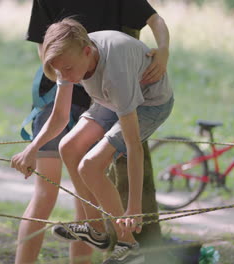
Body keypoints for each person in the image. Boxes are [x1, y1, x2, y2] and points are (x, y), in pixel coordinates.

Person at [14, 1, 170, 264]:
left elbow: (133, 146)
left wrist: (134, 208)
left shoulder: (115, 75)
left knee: (90, 165)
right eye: (61, 72)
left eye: (68, 71)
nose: (65, 77)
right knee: (68, 147)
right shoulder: (69, 60)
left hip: (147, 103)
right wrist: (31, 149)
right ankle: (95, 230)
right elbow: (60, 116)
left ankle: (129, 244)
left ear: (87, 52)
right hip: (109, 99)